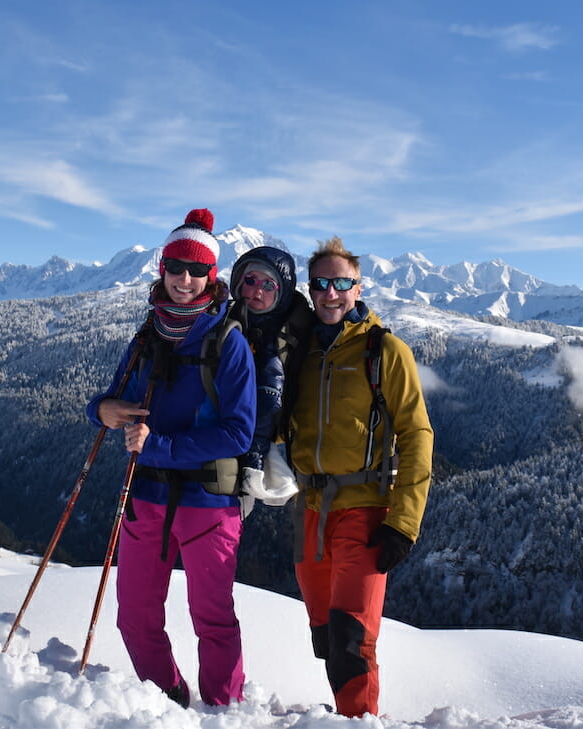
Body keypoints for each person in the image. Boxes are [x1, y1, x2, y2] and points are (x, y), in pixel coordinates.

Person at [85, 209, 255, 708]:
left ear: (212, 277)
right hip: (147, 496)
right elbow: (113, 400)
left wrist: (156, 446)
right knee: (134, 616)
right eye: (176, 267)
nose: (185, 279)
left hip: (207, 501)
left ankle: (223, 710)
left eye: (196, 270)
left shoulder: (229, 342)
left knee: (212, 618)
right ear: (162, 268)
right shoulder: (146, 336)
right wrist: (101, 409)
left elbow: (239, 433)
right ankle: (166, 705)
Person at [287, 235, 434, 717]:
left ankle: (358, 722)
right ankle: (347, 716)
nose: (330, 293)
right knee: (327, 635)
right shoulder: (302, 350)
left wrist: (404, 522)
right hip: (309, 511)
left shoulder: (383, 350)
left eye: (340, 283)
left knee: (353, 638)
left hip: (364, 509)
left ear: (358, 285)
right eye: (321, 284)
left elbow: (416, 435)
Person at [227, 246, 313, 506]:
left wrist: (253, 456)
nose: (257, 291)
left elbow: (267, 402)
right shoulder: (224, 322)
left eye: (268, 285)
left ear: (282, 293)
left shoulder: (276, 340)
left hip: (250, 445)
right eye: (251, 281)